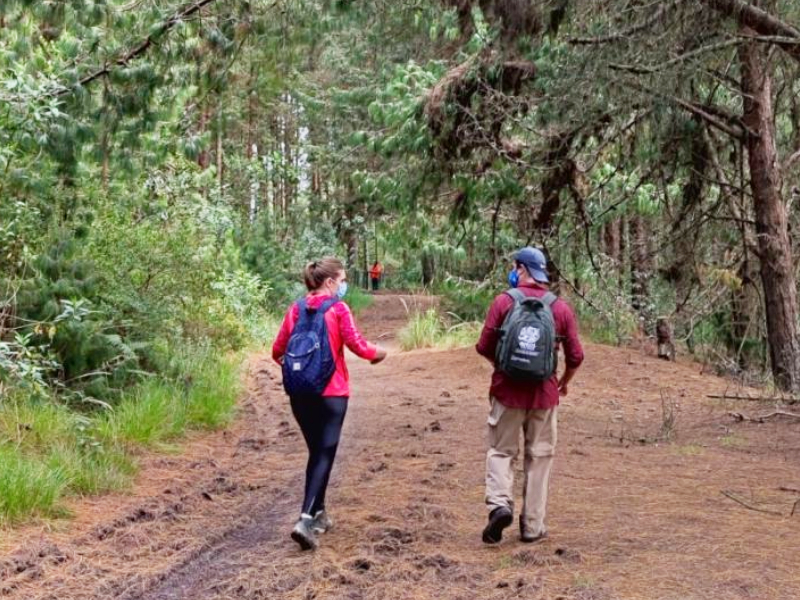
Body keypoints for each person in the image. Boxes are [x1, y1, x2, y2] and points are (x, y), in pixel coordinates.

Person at [272, 257, 387, 551]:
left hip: (299, 393)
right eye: (342, 279)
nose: (344, 285)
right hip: (332, 393)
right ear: (329, 282)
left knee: (317, 452)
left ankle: (319, 512)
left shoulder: (295, 309)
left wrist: (302, 371)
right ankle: (305, 519)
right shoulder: (337, 308)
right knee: (324, 453)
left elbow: (277, 350)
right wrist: (378, 353)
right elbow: (357, 343)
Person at [475, 247, 584, 545]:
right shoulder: (559, 308)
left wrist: (502, 366)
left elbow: (483, 345)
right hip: (544, 395)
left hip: (506, 391)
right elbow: (576, 355)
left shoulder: (503, 302)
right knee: (540, 457)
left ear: (521, 269)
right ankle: (533, 526)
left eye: (514, 267)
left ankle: (499, 505)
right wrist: (563, 381)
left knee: (501, 452)